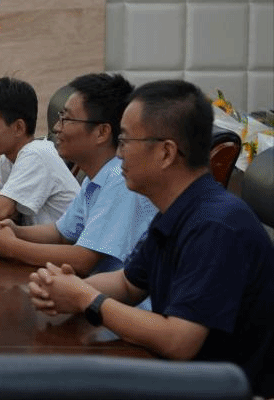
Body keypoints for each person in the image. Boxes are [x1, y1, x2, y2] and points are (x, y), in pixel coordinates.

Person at [28, 79, 274, 395]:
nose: (119, 154)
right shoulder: (177, 209)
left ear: (166, 152)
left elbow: (179, 341)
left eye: (125, 141)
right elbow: (128, 284)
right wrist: (62, 288)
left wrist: (87, 299)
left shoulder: (216, 225)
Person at [0, 73, 157, 275]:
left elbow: (83, 260)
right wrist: (16, 231)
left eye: (66, 119)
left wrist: (11, 247)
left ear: (101, 132)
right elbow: (61, 233)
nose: (56, 128)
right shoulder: (95, 177)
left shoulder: (120, 178)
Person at [0, 77, 79, 225]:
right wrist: (16, 210)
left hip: (65, 240)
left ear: (18, 128)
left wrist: (10, 208)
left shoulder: (36, 154)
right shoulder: (10, 157)